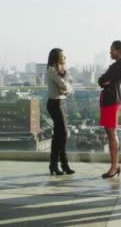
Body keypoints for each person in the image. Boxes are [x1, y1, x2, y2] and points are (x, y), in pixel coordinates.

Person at [98, 40, 121, 179]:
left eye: (112, 49)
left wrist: (105, 80)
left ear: (119, 50)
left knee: (111, 132)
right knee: (110, 133)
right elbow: (101, 81)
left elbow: (104, 79)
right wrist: (105, 80)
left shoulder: (119, 65)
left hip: (112, 101)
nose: (110, 52)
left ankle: (114, 166)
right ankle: (115, 165)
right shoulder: (116, 65)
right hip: (109, 100)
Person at [46, 48, 75, 176]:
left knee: (58, 135)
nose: (64, 58)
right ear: (56, 57)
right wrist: (66, 87)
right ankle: (62, 164)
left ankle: (55, 164)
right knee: (62, 134)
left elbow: (69, 87)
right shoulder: (52, 70)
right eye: (62, 56)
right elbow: (64, 85)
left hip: (62, 103)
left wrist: (66, 88)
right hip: (54, 104)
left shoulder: (63, 71)